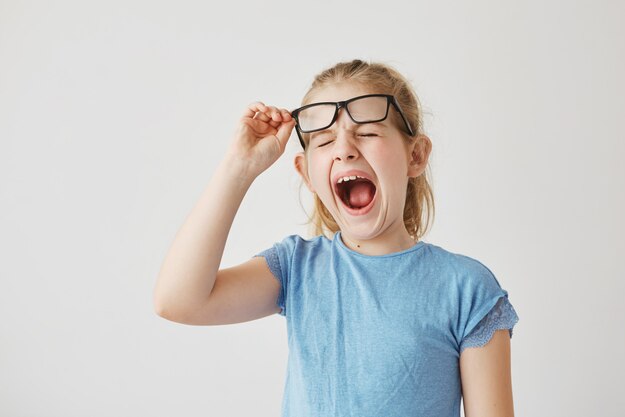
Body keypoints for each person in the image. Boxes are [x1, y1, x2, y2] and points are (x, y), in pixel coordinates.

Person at [154, 59, 520, 417]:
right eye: (325, 140)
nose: (344, 148)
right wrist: (240, 167)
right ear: (307, 172)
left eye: (367, 133)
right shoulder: (296, 268)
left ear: (416, 155)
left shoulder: (467, 289)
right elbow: (177, 301)